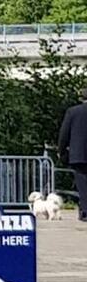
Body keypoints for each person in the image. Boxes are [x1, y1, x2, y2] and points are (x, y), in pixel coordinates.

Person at [57, 87, 87, 222]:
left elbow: (64, 133)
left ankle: (85, 211)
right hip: (78, 153)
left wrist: (62, 151)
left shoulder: (73, 112)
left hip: (78, 154)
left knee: (82, 184)